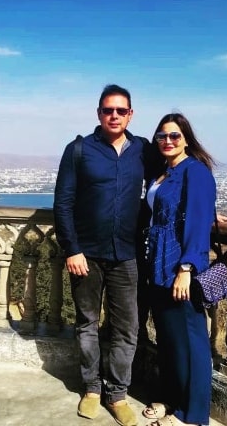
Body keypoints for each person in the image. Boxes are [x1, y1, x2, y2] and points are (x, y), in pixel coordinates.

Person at [53, 84, 147, 426]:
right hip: (86, 255)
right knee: (87, 324)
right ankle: (92, 389)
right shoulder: (79, 150)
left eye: (121, 111)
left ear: (130, 114)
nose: (114, 116)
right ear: (99, 113)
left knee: (127, 328)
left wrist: (206, 209)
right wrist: (72, 249)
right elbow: (63, 203)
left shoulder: (142, 150)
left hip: (126, 255)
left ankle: (117, 394)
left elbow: (169, 182)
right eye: (108, 110)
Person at [142, 113, 218, 426]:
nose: (168, 141)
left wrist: (187, 267)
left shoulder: (195, 171)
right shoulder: (163, 172)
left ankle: (193, 415)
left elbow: (198, 222)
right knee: (169, 340)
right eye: (162, 136)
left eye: (174, 135)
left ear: (186, 138)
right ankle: (171, 399)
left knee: (191, 342)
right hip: (157, 266)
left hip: (179, 268)